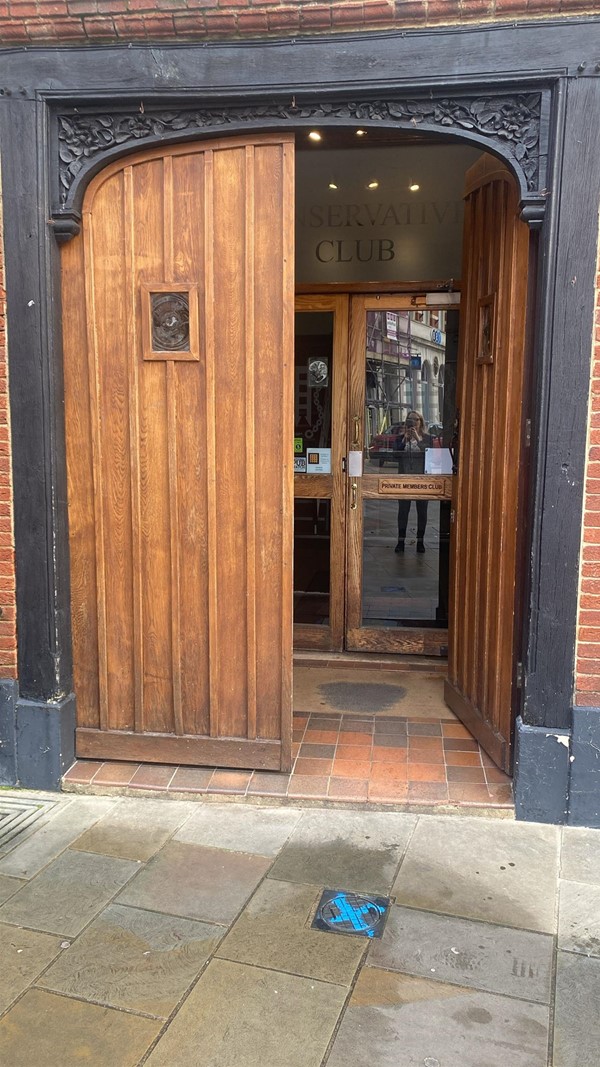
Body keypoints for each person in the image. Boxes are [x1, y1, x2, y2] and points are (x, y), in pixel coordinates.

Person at [393, 410, 431, 554]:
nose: (413, 423)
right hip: (404, 478)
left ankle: (420, 542)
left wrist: (418, 440)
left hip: (422, 479)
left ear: (421, 422)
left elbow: (430, 454)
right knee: (403, 511)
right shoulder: (400, 438)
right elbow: (395, 455)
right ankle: (400, 541)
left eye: (416, 420)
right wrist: (404, 441)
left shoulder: (427, 438)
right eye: (410, 420)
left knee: (422, 511)